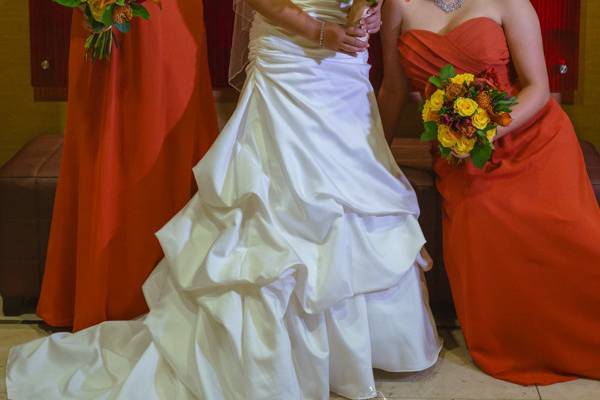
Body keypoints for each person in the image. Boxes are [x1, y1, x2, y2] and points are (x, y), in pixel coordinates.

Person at [7, 1, 442, 399]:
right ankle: (267, 354)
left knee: (348, 197)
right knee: (273, 200)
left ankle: (345, 351)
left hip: (344, 66)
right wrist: (317, 31)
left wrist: (369, 12)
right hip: (288, 54)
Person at [379, 0, 600, 386]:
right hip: (460, 155)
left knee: (570, 227)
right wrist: (374, 157)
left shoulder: (510, 2)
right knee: (481, 215)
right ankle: (519, 340)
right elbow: (394, 88)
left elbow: (538, 88)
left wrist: (483, 132)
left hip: (529, 135)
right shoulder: (396, 5)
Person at [37, 0, 219, 331]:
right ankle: (107, 289)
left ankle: (173, 286)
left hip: (172, 14)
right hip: (107, 16)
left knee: (166, 130)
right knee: (108, 131)